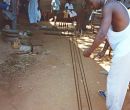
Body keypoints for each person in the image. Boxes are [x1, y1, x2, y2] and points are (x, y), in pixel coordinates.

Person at [83, 0, 130, 110]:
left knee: (116, 80)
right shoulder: (111, 4)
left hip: (126, 49)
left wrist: (90, 51)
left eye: (90, 3)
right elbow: (111, 30)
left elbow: (102, 33)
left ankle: (114, 107)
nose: (91, 6)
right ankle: (109, 95)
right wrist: (104, 50)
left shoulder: (108, 6)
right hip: (125, 47)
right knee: (118, 78)